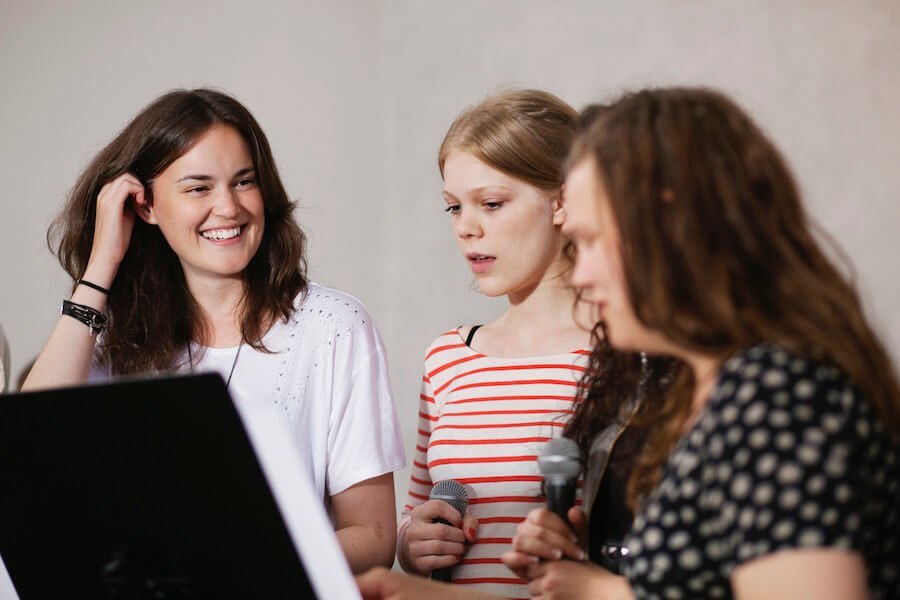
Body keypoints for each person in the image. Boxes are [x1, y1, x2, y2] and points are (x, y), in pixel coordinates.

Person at [21, 88, 405, 574]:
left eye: (244, 182)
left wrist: (230, 562)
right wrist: (101, 266)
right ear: (146, 207)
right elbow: (31, 448)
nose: (228, 208)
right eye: (199, 188)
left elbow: (373, 538)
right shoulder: (110, 336)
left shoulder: (333, 326)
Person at [553, 87, 900, 599]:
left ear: (669, 225)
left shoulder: (779, 393)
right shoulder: (716, 388)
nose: (579, 273)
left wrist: (600, 594)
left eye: (591, 241)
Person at [397, 89, 596, 599]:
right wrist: (413, 542)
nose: (466, 227)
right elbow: (415, 510)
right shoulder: (448, 358)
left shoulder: (616, 357)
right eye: (453, 207)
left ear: (562, 201)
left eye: (490, 203)